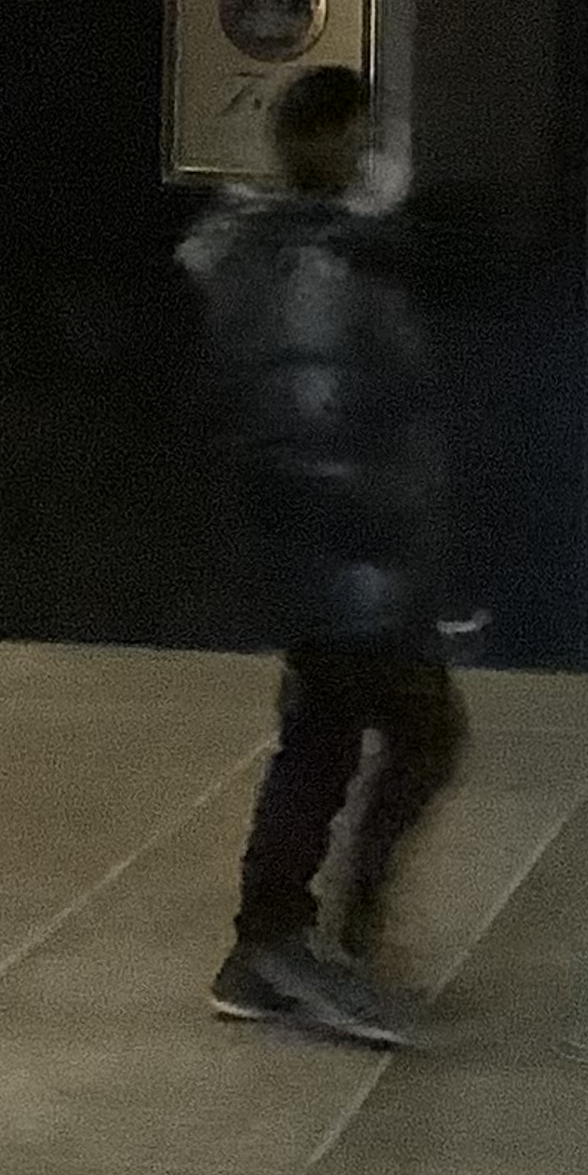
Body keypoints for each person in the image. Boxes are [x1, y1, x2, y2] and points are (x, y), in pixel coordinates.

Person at [183, 65, 468, 1050]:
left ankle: (295, 936)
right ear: (337, 139)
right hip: (345, 560)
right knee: (369, 737)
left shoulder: (304, 252)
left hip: (338, 557)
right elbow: (313, 418)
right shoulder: (312, 267)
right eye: (361, 131)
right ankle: (284, 939)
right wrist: (378, 543)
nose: (374, 151)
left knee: (337, 735)